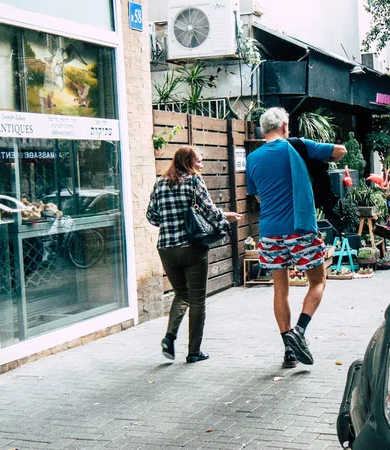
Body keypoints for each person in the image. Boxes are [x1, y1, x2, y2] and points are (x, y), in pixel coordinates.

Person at [245, 107, 347, 368]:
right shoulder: (298, 145)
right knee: (318, 281)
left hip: (269, 232)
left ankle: (289, 350)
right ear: (285, 125)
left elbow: (257, 196)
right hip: (300, 228)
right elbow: (341, 151)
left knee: (281, 289)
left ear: (263, 130)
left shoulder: (253, 158)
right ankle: (299, 331)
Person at [146, 146, 242, 363]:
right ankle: (193, 352)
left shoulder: (159, 183)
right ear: (188, 162)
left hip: (166, 248)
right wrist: (226, 221)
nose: (201, 165)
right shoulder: (193, 181)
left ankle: (169, 338)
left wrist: (170, 224)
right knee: (197, 300)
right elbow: (209, 210)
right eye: (199, 161)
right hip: (192, 248)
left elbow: (151, 216)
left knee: (182, 294)